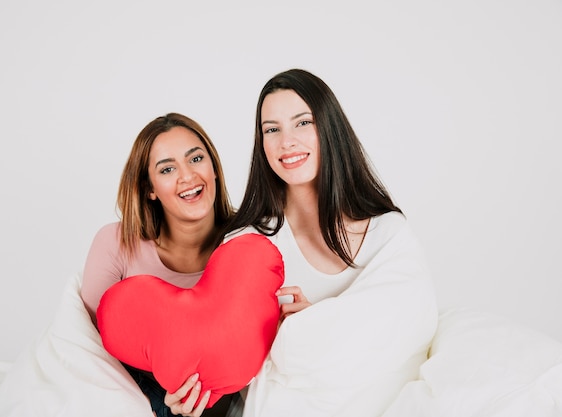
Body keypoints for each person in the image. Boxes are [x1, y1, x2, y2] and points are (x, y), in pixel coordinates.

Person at [222, 69, 438, 416]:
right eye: (271, 129)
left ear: (329, 128)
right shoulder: (246, 246)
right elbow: (233, 358)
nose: (286, 141)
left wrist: (313, 323)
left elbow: (414, 325)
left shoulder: (388, 233)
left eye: (302, 123)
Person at [80, 112, 237, 417]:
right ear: (149, 188)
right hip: (130, 396)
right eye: (167, 168)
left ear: (214, 168)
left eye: (196, 159)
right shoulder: (116, 243)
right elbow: (82, 347)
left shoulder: (247, 244)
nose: (187, 176)